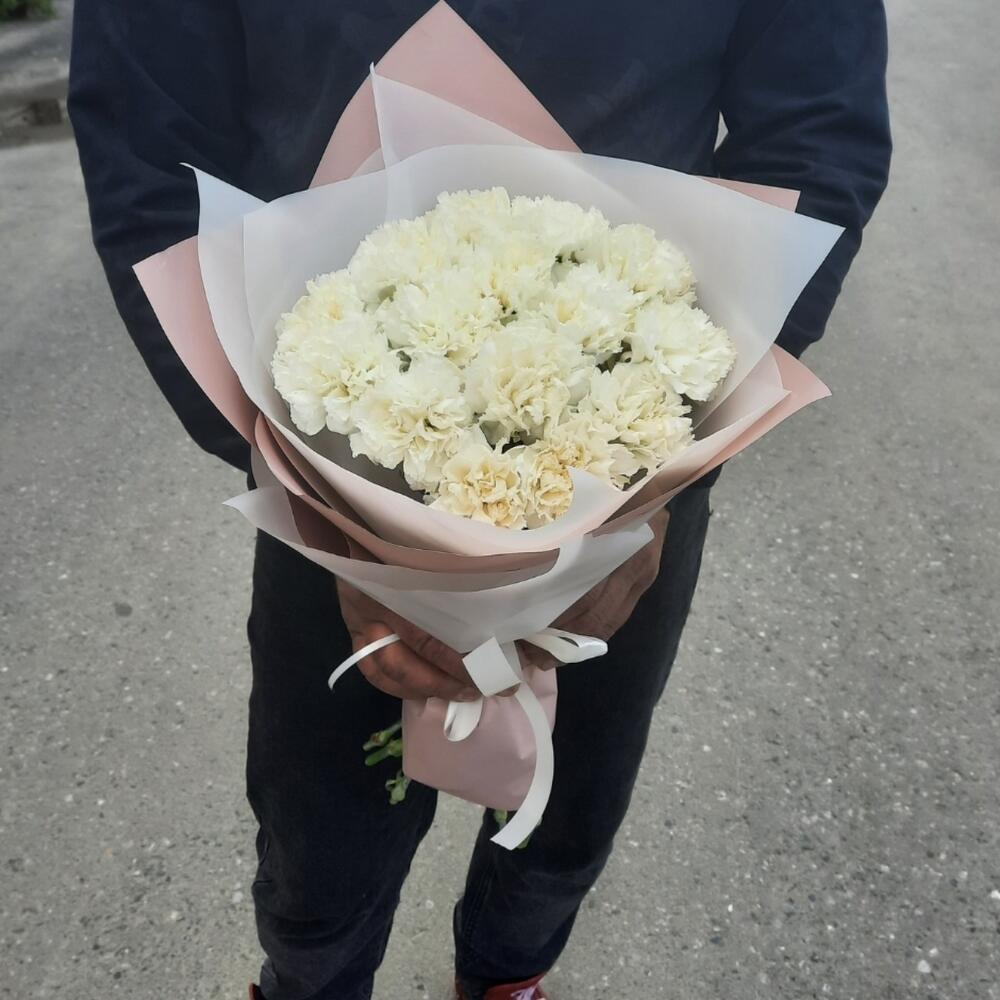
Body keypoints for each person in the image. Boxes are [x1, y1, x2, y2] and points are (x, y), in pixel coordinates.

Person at [68, 3, 891, 998]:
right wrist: (317, 500)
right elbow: (148, 141)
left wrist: (665, 468)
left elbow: (817, 134)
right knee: (320, 842)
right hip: (329, 437)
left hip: (632, 455)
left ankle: (507, 974)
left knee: (566, 811)